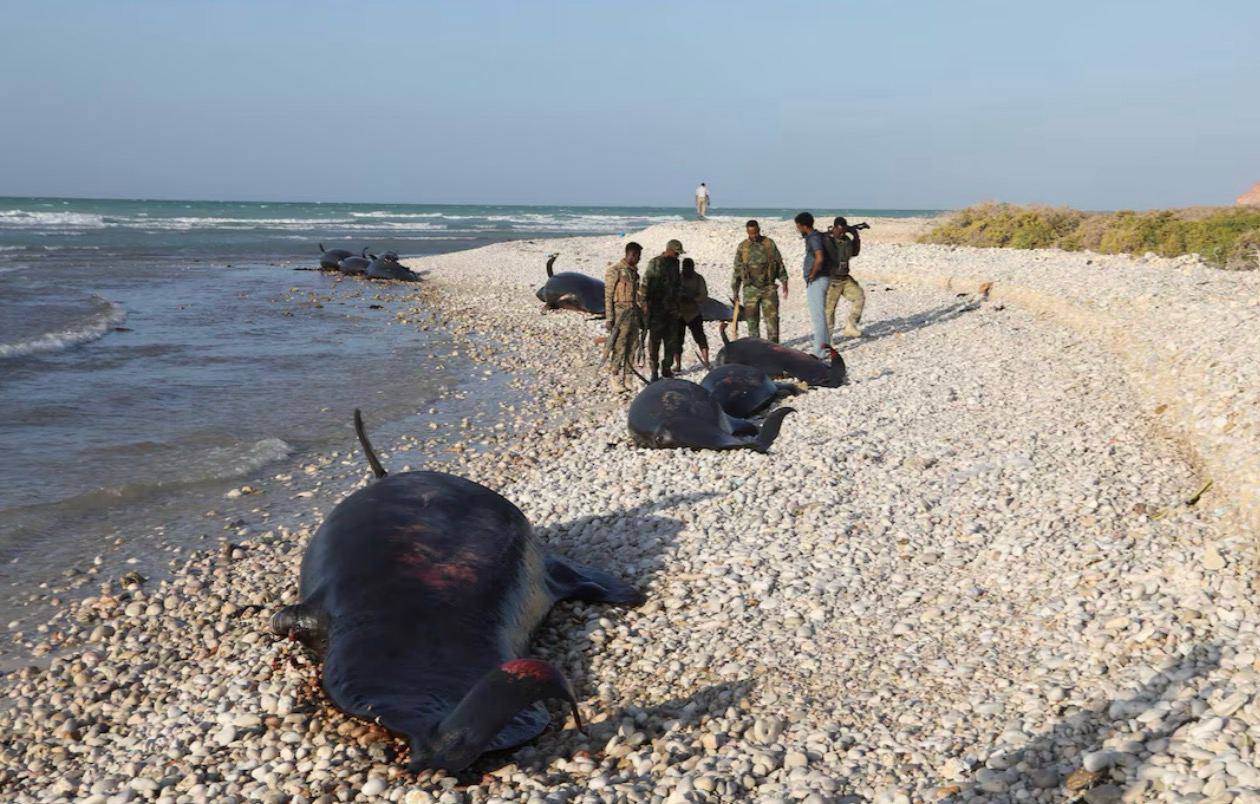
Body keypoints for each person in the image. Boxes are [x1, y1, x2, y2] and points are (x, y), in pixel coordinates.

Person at [731, 219, 788, 342]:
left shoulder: (769, 244)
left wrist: (784, 282)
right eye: (751, 233)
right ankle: (755, 349)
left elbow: (779, 264)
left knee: (772, 322)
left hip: (768, 288)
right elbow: (737, 270)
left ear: (759, 230)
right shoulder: (743, 247)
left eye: (756, 232)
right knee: (752, 323)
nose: (754, 236)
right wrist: (735, 291)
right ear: (747, 232)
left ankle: (773, 350)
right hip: (750, 290)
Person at [640, 239, 684, 381]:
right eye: (676, 253)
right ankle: (654, 370)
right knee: (655, 341)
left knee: (671, 341)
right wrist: (645, 304)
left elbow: (677, 284)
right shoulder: (655, 263)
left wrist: (678, 305)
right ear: (669, 250)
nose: (678, 256)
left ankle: (666, 368)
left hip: (671, 310)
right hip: (657, 309)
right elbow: (645, 285)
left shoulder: (676, 263)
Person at [603, 241, 644, 392]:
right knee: (619, 347)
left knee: (633, 346)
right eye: (637, 256)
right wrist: (609, 318)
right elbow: (608, 295)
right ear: (630, 254)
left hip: (633, 314)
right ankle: (614, 379)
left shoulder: (635, 273)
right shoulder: (615, 271)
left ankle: (628, 378)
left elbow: (637, 296)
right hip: (620, 315)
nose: (639, 259)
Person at [795, 212, 833, 358]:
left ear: (803, 225)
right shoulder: (817, 236)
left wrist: (812, 275)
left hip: (818, 279)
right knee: (820, 314)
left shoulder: (814, 238)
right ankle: (825, 347)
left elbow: (819, 257)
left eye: (798, 226)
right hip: (822, 278)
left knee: (818, 316)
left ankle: (820, 351)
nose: (797, 229)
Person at [824, 216, 865, 338]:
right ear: (834, 228)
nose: (841, 233)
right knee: (829, 310)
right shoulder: (828, 240)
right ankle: (827, 338)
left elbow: (855, 252)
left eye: (844, 231)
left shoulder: (846, 240)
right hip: (832, 279)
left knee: (860, 297)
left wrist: (856, 236)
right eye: (839, 231)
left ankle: (850, 326)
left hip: (845, 278)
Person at [673, 257, 710, 371]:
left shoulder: (698, 279)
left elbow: (704, 295)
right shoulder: (676, 278)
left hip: (693, 312)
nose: (687, 271)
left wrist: (693, 299)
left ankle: (706, 361)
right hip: (679, 313)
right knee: (677, 340)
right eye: (685, 268)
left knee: (700, 337)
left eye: (689, 268)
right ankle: (677, 365)